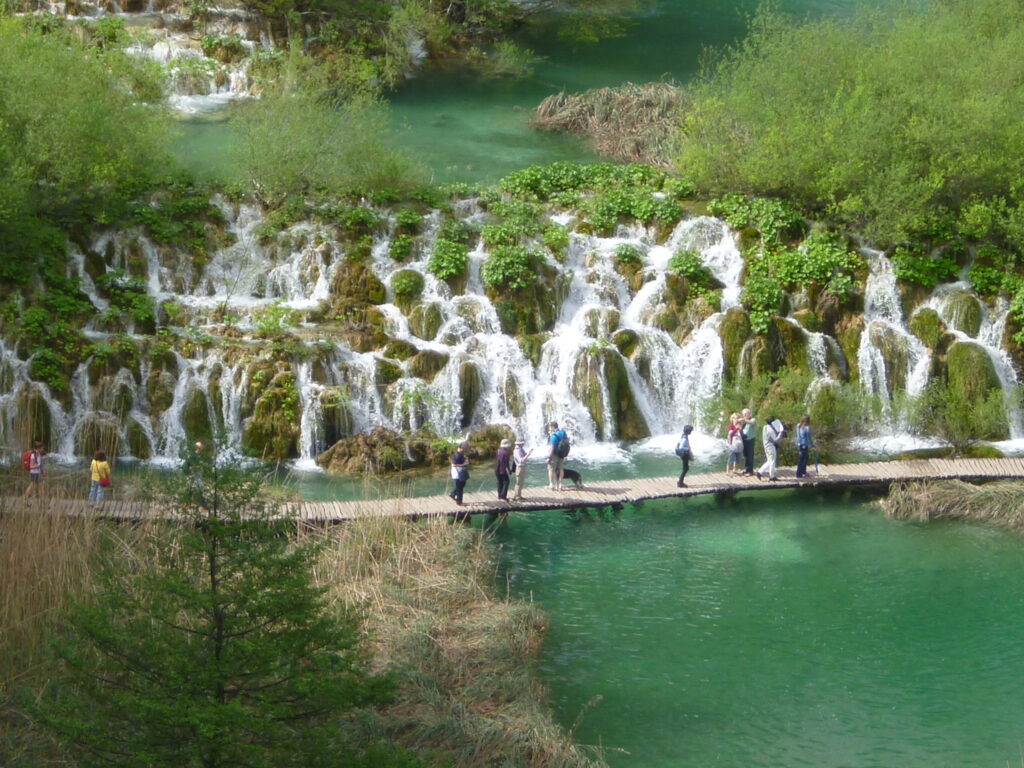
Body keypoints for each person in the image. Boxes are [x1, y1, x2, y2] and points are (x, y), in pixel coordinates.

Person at [757, 417, 785, 482]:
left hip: (766, 446)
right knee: (772, 461)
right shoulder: (770, 430)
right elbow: (776, 440)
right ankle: (772, 477)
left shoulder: (765, 427)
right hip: (770, 447)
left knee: (769, 461)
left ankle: (760, 472)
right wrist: (781, 433)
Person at [547, 421, 568, 491]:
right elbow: (567, 442)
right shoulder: (563, 433)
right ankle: (560, 484)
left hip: (555, 455)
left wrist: (549, 457)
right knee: (561, 469)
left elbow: (552, 447)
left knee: (551, 469)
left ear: (553, 427)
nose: (550, 428)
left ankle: (551, 484)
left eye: (550, 427)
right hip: (562, 454)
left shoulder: (554, 436)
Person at [449, 442, 469, 506]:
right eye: (464, 449)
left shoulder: (459, 453)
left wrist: (465, 460)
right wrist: (464, 464)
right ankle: (459, 502)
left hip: (458, 473)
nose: (465, 450)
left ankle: (453, 494)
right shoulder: (457, 455)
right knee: (460, 487)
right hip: (457, 473)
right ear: (461, 448)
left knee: (462, 484)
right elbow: (454, 464)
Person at [795, 414, 814, 478]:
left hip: (802, 445)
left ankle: (800, 473)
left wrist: (798, 444)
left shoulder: (799, 426)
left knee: (803, 459)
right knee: (803, 460)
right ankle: (801, 473)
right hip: (804, 445)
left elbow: (798, 436)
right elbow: (809, 437)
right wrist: (812, 445)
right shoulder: (807, 427)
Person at [740, 408, 757, 476]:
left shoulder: (752, 419)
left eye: (745, 414)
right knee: (745, 455)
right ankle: (746, 469)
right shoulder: (743, 421)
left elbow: (753, 423)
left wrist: (744, 420)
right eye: (743, 414)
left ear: (749, 414)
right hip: (744, 439)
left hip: (750, 440)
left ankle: (750, 471)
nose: (744, 415)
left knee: (750, 455)